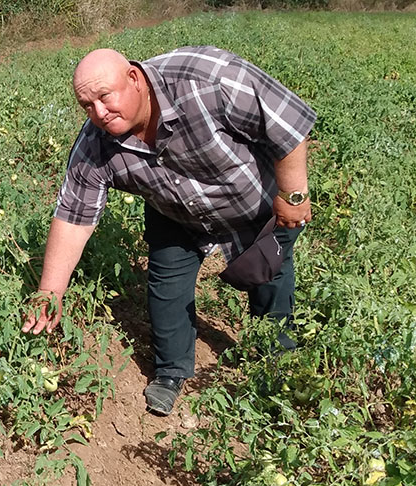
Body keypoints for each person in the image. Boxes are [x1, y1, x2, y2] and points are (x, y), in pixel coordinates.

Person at [21, 46, 316, 416]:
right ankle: (170, 372)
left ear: (134, 78)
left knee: (270, 278)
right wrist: (50, 292)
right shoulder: (95, 145)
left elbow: (286, 122)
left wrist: (293, 193)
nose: (98, 113)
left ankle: (275, 363)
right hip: (174, 211)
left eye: (104, 97)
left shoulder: (206, 79)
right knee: (167, 288)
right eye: (86, 105)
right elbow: (73, 216)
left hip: (251, 200)